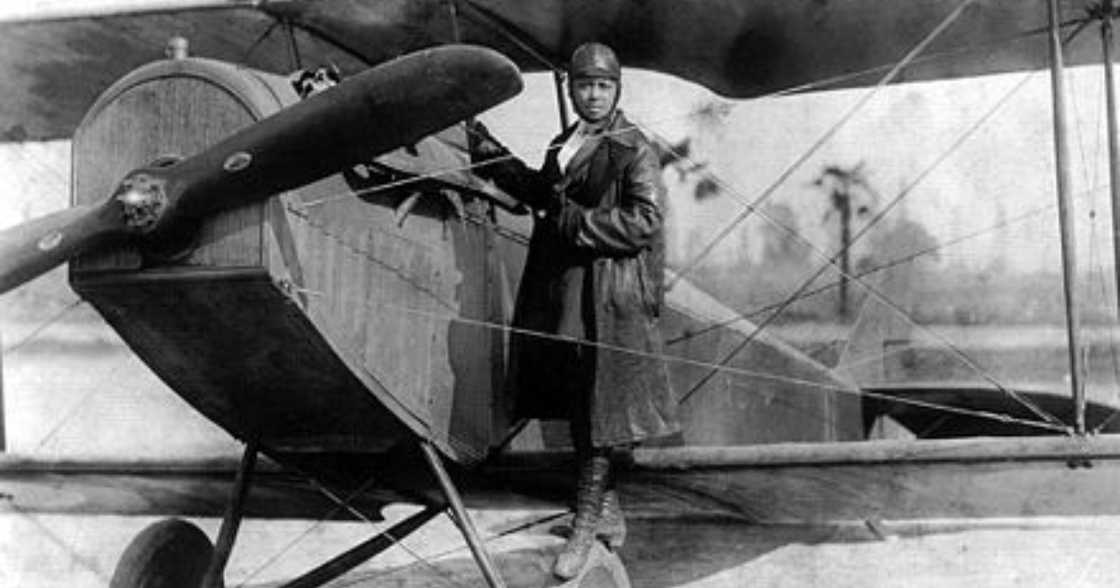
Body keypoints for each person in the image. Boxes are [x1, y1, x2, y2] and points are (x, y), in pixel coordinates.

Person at [470, 42, 679, 579]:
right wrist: (485, 148)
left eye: (602, 86)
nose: (592, 94)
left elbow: (644, 221)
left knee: (598, 411)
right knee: (575, 402)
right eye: (584, 85)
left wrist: (576, 226)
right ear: (572, 89)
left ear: (616, 90)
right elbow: (544, 192)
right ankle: (607, 513)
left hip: (608, 299)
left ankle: (585, 525)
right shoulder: (567, 142)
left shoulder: (634, 148)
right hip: (567, 294)